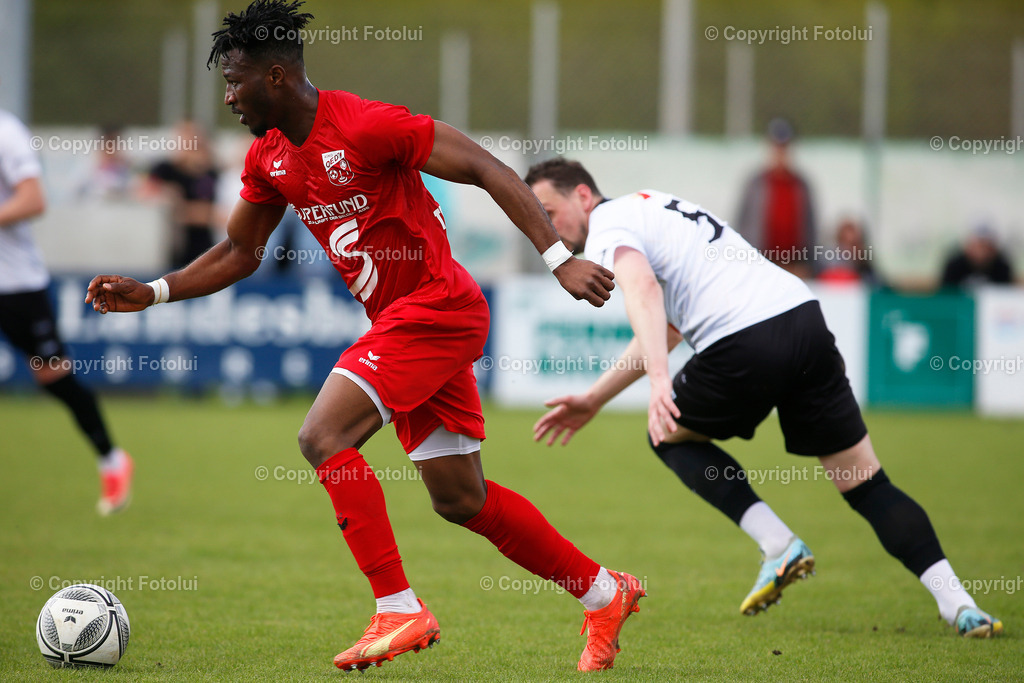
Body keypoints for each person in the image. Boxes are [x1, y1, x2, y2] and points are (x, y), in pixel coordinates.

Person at [85, 0, 641, 672]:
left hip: (438, 306)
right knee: (461, 498)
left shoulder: (366, 124)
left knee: (322, 436)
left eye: (236, 82)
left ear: (279, 78)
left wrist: (559, 258)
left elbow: (487, 168)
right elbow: (240, 250)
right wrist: (158, 290)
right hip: (405, 325)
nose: (228, 98)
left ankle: (399, 606)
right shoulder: (268, 158)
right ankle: (604, 592)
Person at [526, 158, 1003, 638]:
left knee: (665, 434)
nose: (549, 226)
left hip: (745, 341)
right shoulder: (652, 208)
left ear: (584, 195)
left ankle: (778, 544)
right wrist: (594, 399)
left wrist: (659, 382)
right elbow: (668, 327)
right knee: (867, 483)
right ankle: (961, 606)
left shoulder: (608, 222)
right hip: (803, 321)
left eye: (549, 211)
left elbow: (643, 291)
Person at [0, 107, 133, 515]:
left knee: (53, 376)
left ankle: (112, 459)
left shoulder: (6, 132)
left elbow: (33, 198)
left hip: (15, 286)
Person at [735, 118, 817, 278]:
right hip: (761, 265)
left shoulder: (800, 186)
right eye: (777, 146)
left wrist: (808, 264)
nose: (780, 152)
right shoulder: (756, 184)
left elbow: (810, 228)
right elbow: (742, 223)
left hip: (794, 267)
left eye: (784, 147)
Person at [144, 120, 220, 269]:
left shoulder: (211, 173)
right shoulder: (164, 169)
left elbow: (218, 214)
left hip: (204, 247)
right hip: (171, 248)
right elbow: (144, 195)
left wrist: (180, 209)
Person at [940, 224, 1015, 289]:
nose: (981, 252)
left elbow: (1006, 293)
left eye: (985, 246)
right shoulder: (955, 266)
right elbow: (946, 293)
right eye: (977, 246)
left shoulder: (1002, 267)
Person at [817, 216, 881, 287]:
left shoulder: (864, 260)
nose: (848, 249)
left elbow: (874, 282)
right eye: (845, 243)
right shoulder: (828, 257)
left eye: (854, 243)